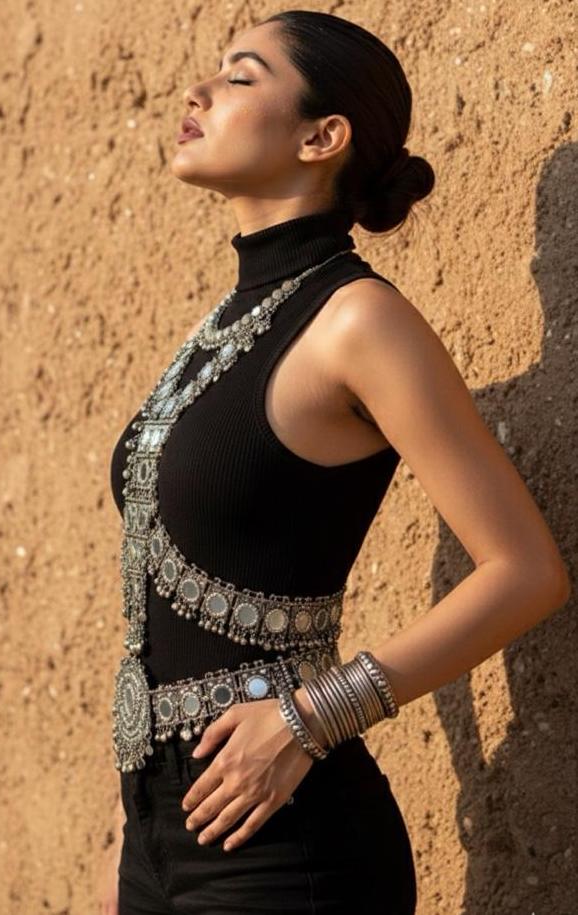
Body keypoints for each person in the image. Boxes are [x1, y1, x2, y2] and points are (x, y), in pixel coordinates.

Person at [99, 10, 570, 915]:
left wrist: (313, 715)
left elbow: (526, 572)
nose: (197, 91)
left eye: (240, 76)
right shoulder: (223, 325)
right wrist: (135, 834)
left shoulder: (359, 319)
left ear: (323, 137)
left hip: (289, 849)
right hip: (163, 837)